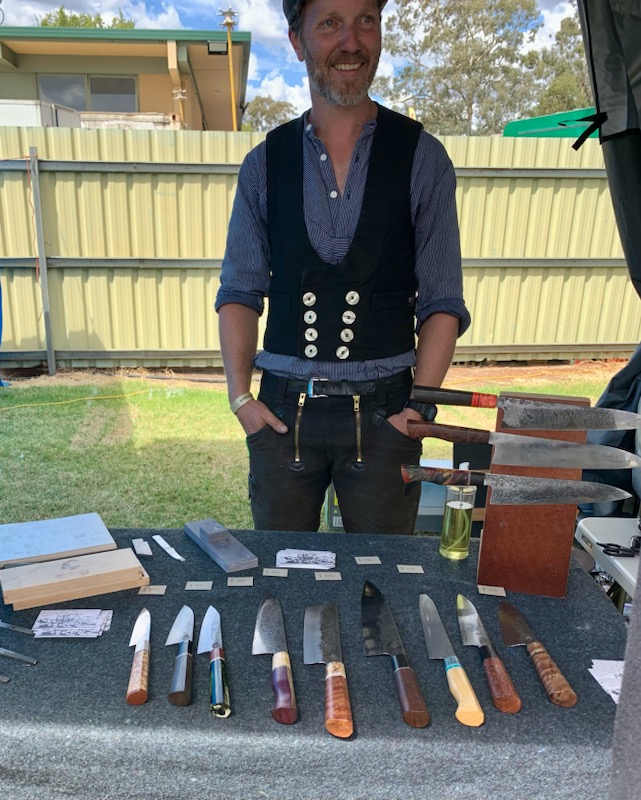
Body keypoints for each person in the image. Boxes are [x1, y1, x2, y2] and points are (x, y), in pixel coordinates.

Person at [215, 0, 470, 534]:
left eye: (365, 21)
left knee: (382, 576)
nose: (350, 42)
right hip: (281, 414)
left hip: (388, 415)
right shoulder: (263, 164)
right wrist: (241, 399)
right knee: (282, 571)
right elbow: (239, 290)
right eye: (330, 23)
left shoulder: (423, 158)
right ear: (297, 41)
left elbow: (443, 302)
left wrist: (417, 411)